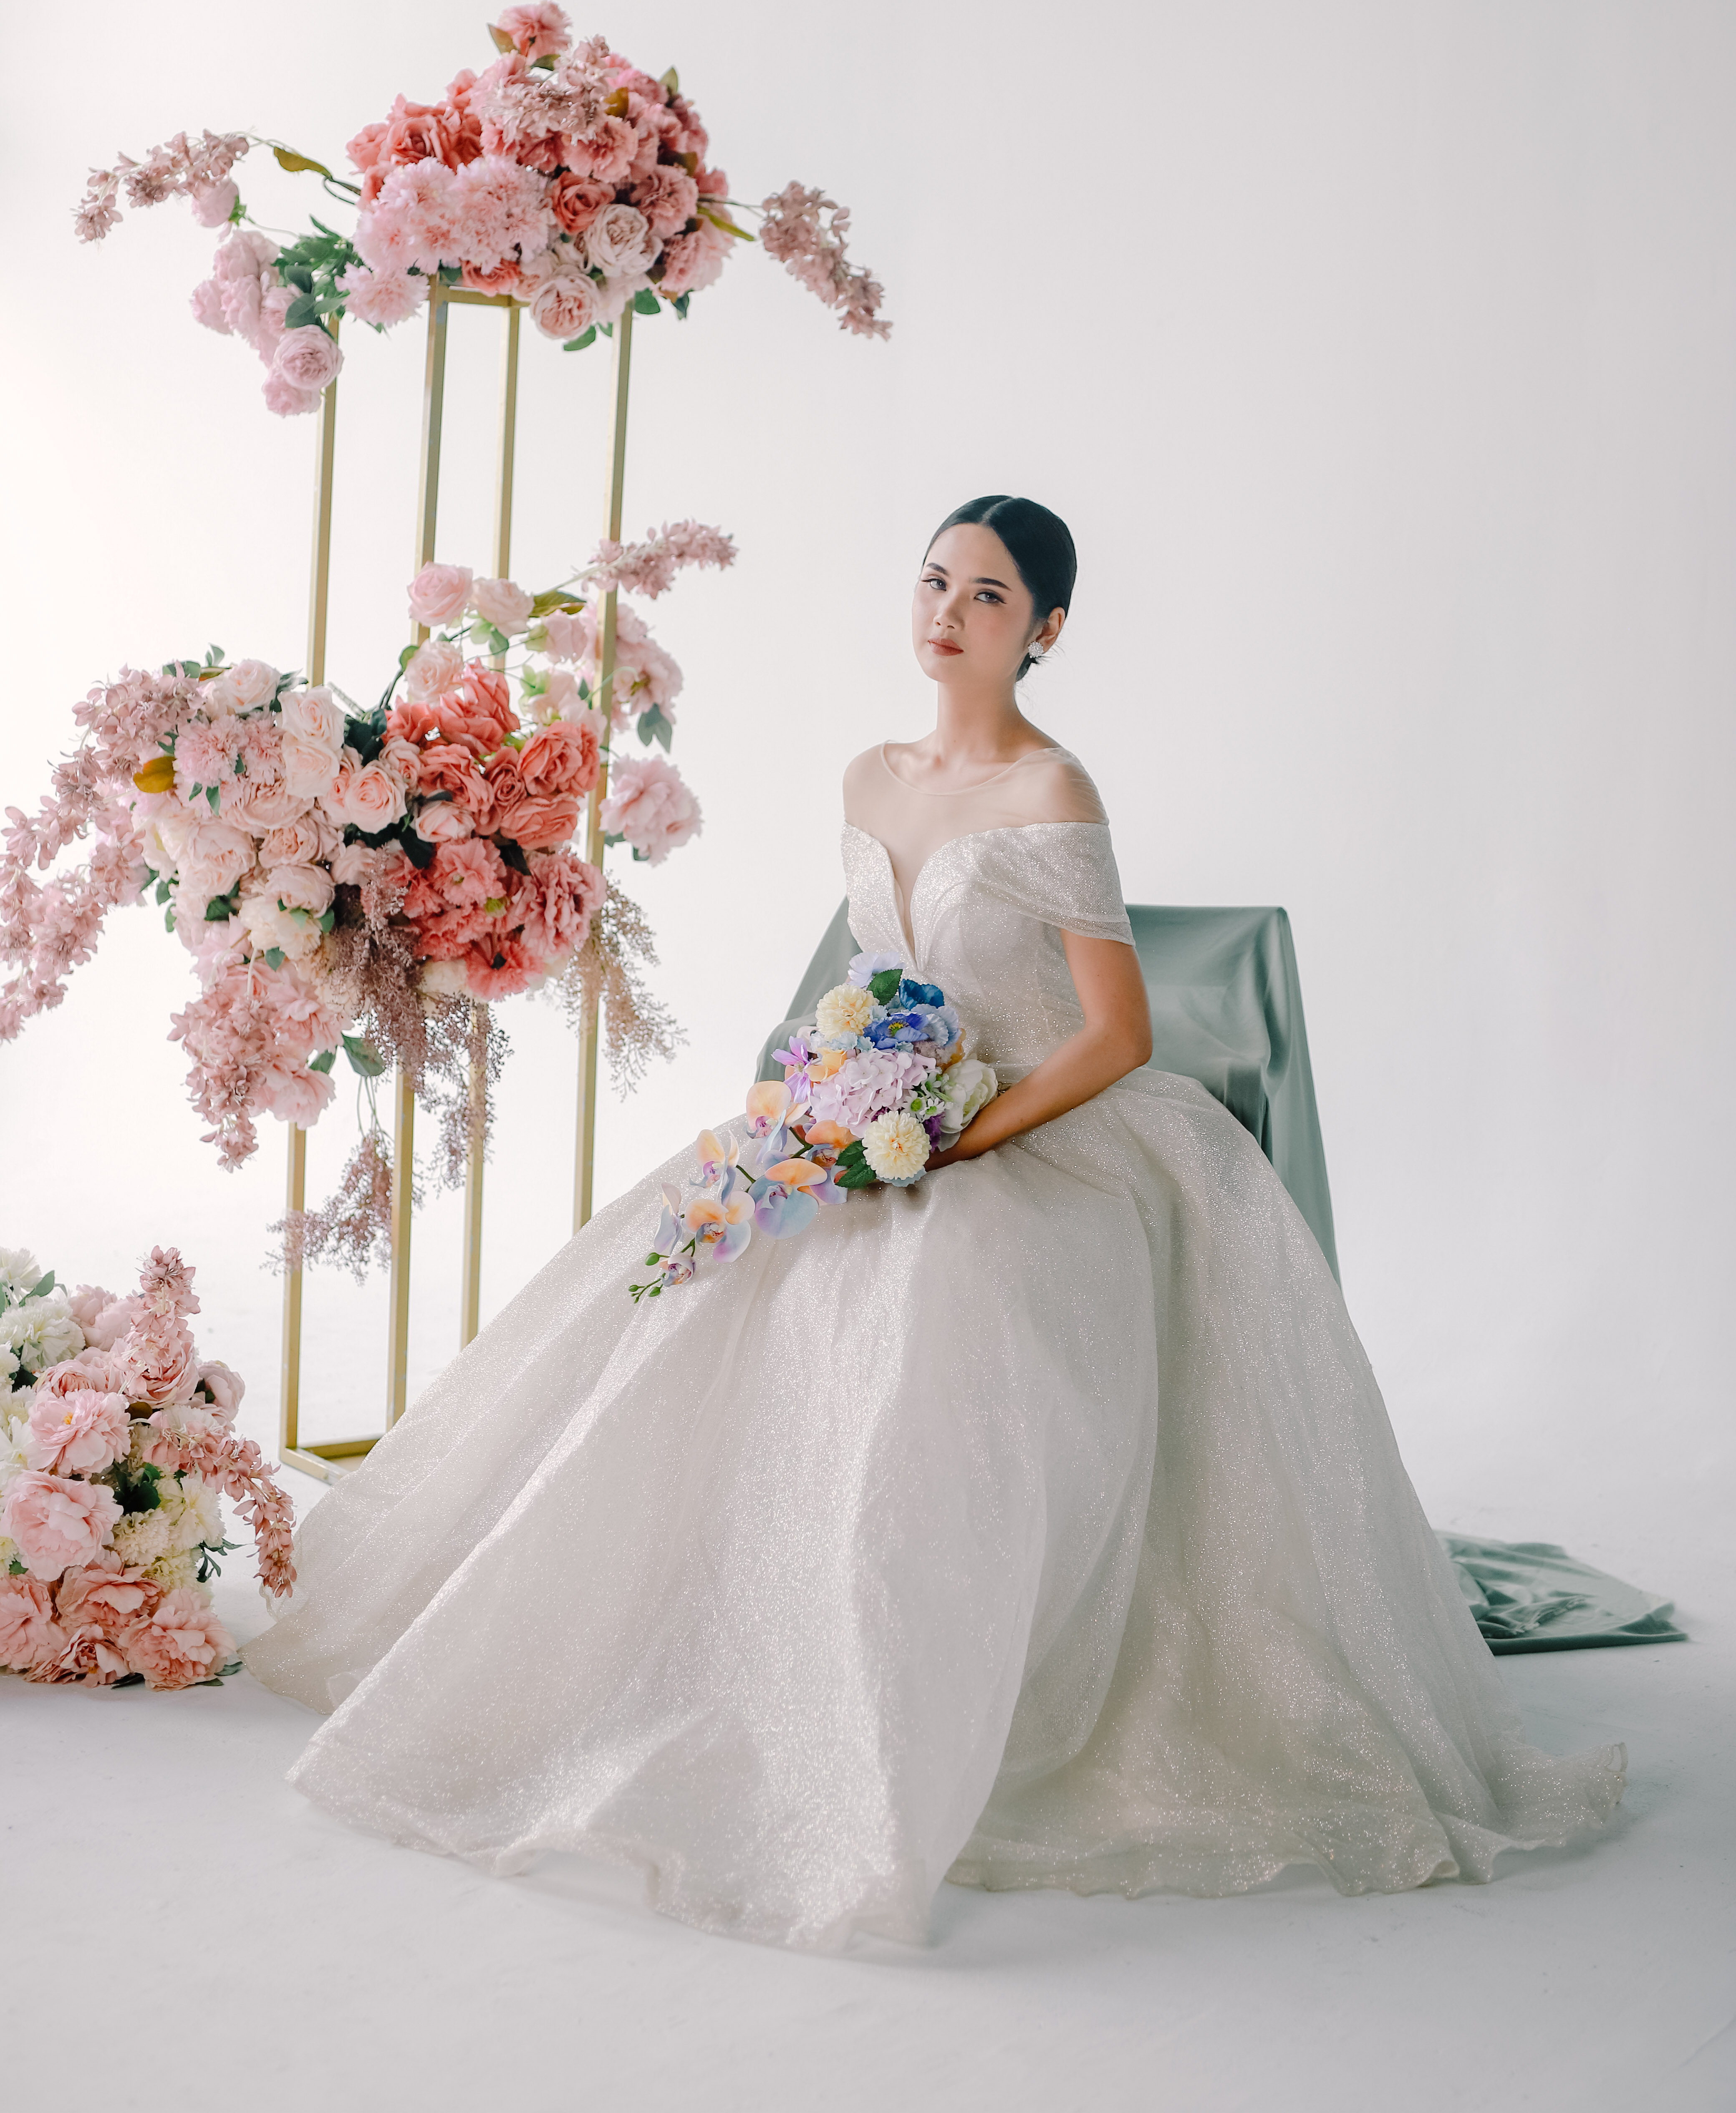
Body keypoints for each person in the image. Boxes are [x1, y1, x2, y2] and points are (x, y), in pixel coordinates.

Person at [246, 493, 1624, 1952]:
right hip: (881, 1111)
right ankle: (673, 1650)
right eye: (933, 583)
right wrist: (824, 1110)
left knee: (929, 1294)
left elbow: (1120, 1033)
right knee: (703, 1264)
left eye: (987, 596)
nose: (947, 614)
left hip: (1041, 1131)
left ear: (1047, 630)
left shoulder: (1053, 790)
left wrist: (965, 1134)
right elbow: (869, 979)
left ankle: (897, 1706)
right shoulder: (869, 774)